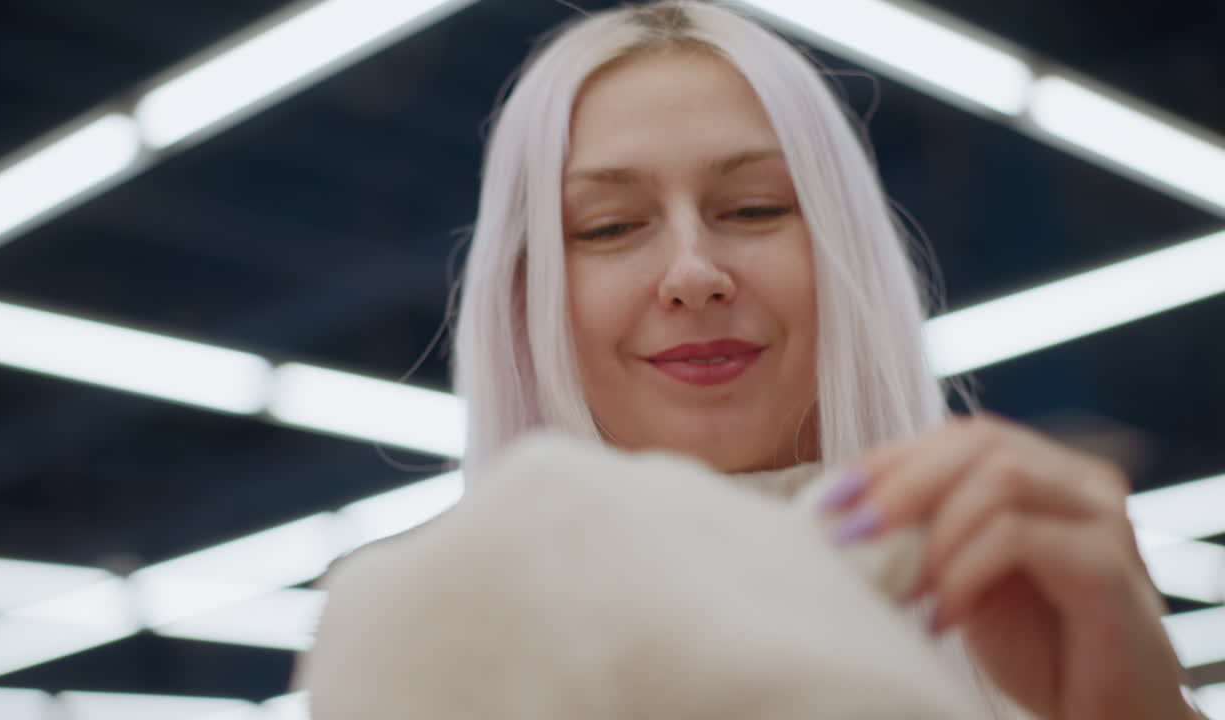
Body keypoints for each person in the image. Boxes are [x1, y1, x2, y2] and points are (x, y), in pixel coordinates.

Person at [298, 2, 1202, 718]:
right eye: (610, 227)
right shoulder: (441, 638)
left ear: (844, 255)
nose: (693, 273)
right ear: (527, 296)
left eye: (756, 208)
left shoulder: (1025, 600)